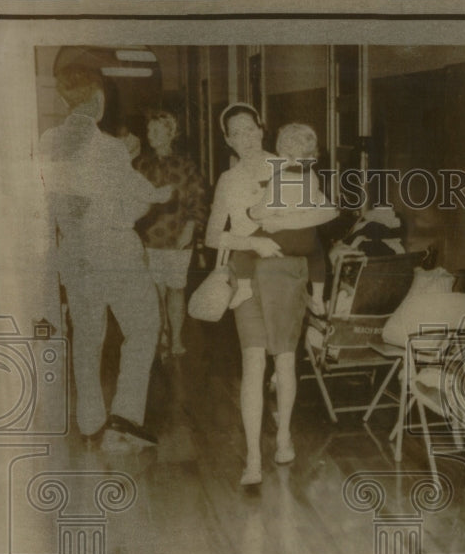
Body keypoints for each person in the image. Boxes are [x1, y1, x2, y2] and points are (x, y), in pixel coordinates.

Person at [39, 64, 172, 452]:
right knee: (144, 327)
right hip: (114, 251)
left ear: (63, 100)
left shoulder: (48, 142)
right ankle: (125, 421)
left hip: (75, 252)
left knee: (87, 335)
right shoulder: (110, 148)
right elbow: (141, 199)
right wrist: (159, 195)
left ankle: (90, 421)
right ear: (98, 101)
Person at [205, 104, 334, 486]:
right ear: (226, 139)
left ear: (262, 129)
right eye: (235, 132)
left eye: (250, 129)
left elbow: (320, 218)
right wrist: (251, 241)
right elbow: (212, 236)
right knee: (252, 364)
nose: (245, 138)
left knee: (285, 363)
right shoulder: (227, 181)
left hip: (285, 274)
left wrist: (279, 224)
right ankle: (252, 459)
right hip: (246, 273)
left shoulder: (289, 165)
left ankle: (283, 437)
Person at [228, 122, 335, 312]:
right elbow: (321, 206)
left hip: (281, 238)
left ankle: (244, 288)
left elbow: (265, 209)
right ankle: (318, 296)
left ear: (284, 155)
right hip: (306, 239)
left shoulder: (279, 178)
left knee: (243, 250)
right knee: (318, 254)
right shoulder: (312, 177)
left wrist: (251, 212)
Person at [133, 110, 208, 357]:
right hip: (149, 238)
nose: (151, 135)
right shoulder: (141, 164)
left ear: (171, 133)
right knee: (154, 290)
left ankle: (175, 338)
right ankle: (160, 335)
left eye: (157, 130)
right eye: (149, 130)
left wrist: (190, 229)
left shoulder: (185, 164)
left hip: (178, 237)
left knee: (176, 288)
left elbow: (198, 200)